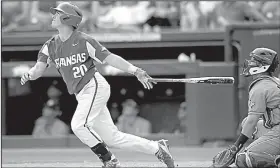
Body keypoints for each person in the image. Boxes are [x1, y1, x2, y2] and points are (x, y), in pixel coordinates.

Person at [20, 2, 174, 168]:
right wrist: (29, 74)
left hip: (94, 86)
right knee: (112, 137)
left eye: (57, 13)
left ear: (67, 18)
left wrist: (135, 70)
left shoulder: (84, 40)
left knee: (78, 125)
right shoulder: (50, 46)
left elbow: (110, 58)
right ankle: (157, 148)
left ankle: (109, 160)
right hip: (82, 93)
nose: (53, 16)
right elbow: (38, 70)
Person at [211, 48, 280, 168]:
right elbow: (250, 123)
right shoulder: (274, 81)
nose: (250, 63)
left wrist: (235, 148)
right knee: (246, 123)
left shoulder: (260, 87)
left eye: (255, 61)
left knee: (243, 159)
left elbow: (253, 120)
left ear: (263, 66)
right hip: (275, 127)